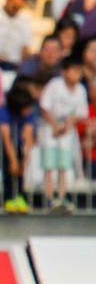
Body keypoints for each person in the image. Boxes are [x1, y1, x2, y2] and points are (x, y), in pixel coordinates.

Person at [39, 54, 88, 213]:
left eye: (79, 72)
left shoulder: (80, 90)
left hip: (67, 130)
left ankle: (61, 196)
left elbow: (81, 112)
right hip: (50, 128)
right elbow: (45, 106)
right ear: (65, 72)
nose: (77, 75)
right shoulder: (55, 85)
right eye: (74, 71)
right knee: (49, 165)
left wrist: (69, 124)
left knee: (63, 165)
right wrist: (54, 125)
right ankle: (49, 196)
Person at [0, 77, 38, 213]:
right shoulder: (3, 111)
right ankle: (9, 198)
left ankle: (20, 197)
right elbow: (6, 137)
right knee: (8, 170)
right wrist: (13, 161)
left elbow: (28, 136)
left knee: (20, 172)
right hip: (0, 143)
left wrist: (24, 160)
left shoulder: (29, 111)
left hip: (18, 142)